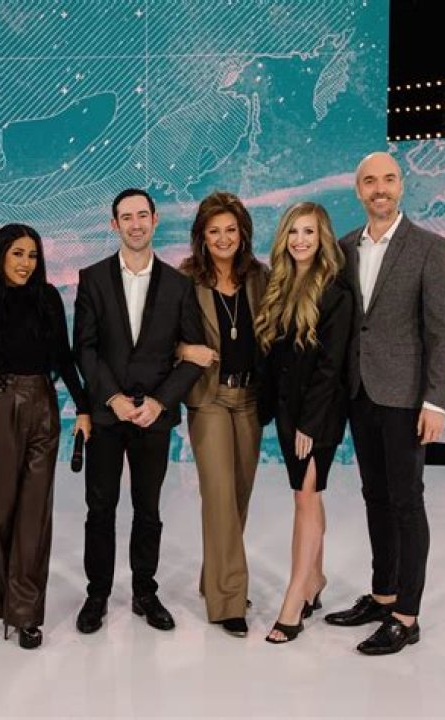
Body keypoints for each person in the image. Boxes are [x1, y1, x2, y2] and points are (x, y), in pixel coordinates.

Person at [324, 151, 445, 655]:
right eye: (369, 181)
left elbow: (444, 331)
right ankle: (383, 595)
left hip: (405, 397)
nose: (379, 189)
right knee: (374, 496)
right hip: (360, 392)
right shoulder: (343, 248)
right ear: (358, 190)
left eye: (387, 179)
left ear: (400, 185)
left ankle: (407, 615)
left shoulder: (430, 247)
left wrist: (436, 402)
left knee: (406, 501)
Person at [0, 223, 91, 650]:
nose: (26, 263)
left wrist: (82, 407)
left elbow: (63, 358)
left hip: (43, 405)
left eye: (32, 255)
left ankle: (25, 615)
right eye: (17, 254)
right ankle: (6, 604)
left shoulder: (48, 298)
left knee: (35, 513)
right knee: (1, 511)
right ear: (1, 256)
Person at [73, 188, 204, 635]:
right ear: (114, 224)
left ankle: (145, 592)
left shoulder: (179, 285)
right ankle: (97, 594)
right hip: (108, 416)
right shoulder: (92, 278)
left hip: (153, 416)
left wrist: (160, 401)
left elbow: (193, 354)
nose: (135, 224)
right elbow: (85, 348)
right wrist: (111, 398)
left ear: (154, 219)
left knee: (148, 509)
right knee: (100, 509)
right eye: (126, 217)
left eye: (142, 215)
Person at [255, 201, 353, 644]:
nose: (300, 240)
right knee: (309, 495)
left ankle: (295, 598)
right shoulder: (278, 285)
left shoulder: (335, 292)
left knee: (304, 497)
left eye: (309, 232)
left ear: (322, 237)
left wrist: (309, 425)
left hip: (319, 414)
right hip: (288, 411)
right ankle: (315, 579)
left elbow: (331, 369)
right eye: (293, 232)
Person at [176, 191, 268, 637]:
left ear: (243, 233)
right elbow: (162, 335)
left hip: (250, 397)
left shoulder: (260, 277)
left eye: (231, 230)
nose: (224, 238)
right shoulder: (185, 279)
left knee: (238, 494)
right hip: (209, 397)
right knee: (218, 494)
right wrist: (184, 350)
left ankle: (214, 577)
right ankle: (229, 599)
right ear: (202, 236)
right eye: (214, 231)